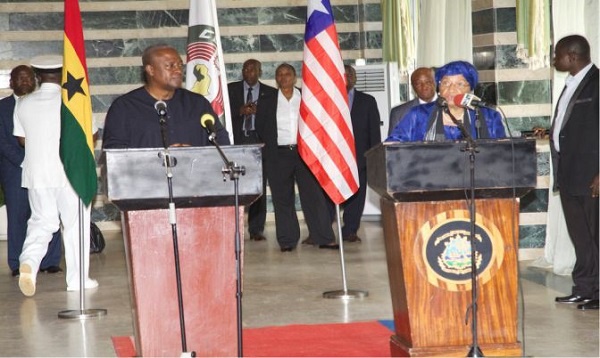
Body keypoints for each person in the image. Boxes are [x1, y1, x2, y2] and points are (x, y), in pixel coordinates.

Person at [13, 55, 97, 296]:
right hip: (70, 172)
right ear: (65, 73)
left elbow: (21, 139)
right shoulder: (75, 102)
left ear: (37, 76)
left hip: (38, 173)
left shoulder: (24, 103)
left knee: (41, 222)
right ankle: (77, 280)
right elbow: (90, 134)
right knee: (74, 226)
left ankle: (28, 262)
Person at [259, 63, 338, 251]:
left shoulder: (306, 97)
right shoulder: (267, 100)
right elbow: (261, 127)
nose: (283, 77)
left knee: (313, 195)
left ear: (295, 78)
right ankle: (287, 240)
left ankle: (324, 237)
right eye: (279, 74)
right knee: (282, 198)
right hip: (278, 155)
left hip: (306, 153)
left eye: (287, 74)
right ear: (276, 79)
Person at [550, 35, 599, 311]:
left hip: (592, 177)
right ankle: (585, 289)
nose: (554, 60)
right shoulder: (572, 82)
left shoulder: (597, 83)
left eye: (557, 55)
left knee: (596, 236)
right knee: (581, 238)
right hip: (569, 175)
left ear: (571, 55)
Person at [0, 65, 63, 277]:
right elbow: (3, 142)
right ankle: (18, 263)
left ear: (35, 80)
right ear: (11, 82)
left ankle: (50, 261)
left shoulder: (43, 103)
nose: (25, 81)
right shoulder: (2, 108)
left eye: (28, 77)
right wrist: (25, 161)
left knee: (49, 214)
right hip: (15, 171)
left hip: (46, 168)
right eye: (20, 78)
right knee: (18, 216)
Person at [103, 44, 229, 148]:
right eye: (170, 66)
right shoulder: (124, 107)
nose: (178, 70)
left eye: (180, 65)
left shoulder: (197, 104)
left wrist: (193, 155)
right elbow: (114, 153)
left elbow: (221, 142)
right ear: (151, 70)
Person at [324, 64, 381, 243]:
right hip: (333, 157)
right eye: (341, 75)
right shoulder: (328, 100)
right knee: (328, 193)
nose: (345, 79)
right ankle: (325, 229)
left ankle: (350, 229)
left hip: (359, 158)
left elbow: (374, 133)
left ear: (353, 78)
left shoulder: (367, 101)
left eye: (348, 75)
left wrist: (373, 158)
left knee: (356, 194)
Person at [386, 60, 506, 142]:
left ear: (470, 88)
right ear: (439, 88)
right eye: (446, 83)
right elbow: (393, 147)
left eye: (460, 84)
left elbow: (502, 155)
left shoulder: (489, 116)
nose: (451, 89)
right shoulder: (418, 115)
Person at [228, 59, 277, 242]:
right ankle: (234, 227)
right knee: (235, 185)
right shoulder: (230, 90)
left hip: (259, 142)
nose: (249, 71)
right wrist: (239, 111)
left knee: (258, 186)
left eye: (253, 69)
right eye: (245, 69)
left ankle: (256, 229)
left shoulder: (270, 93)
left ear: (260, 72)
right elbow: (222, 114)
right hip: (237, 143)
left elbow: (273, 121)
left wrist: (259, 113)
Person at [388, 67, 436, 135]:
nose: (424, 86)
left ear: (435, 82)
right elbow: (393, 144)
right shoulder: (399, 113)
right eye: (418, 83)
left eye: (428, 82)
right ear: (413, 87)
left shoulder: (449, 108)